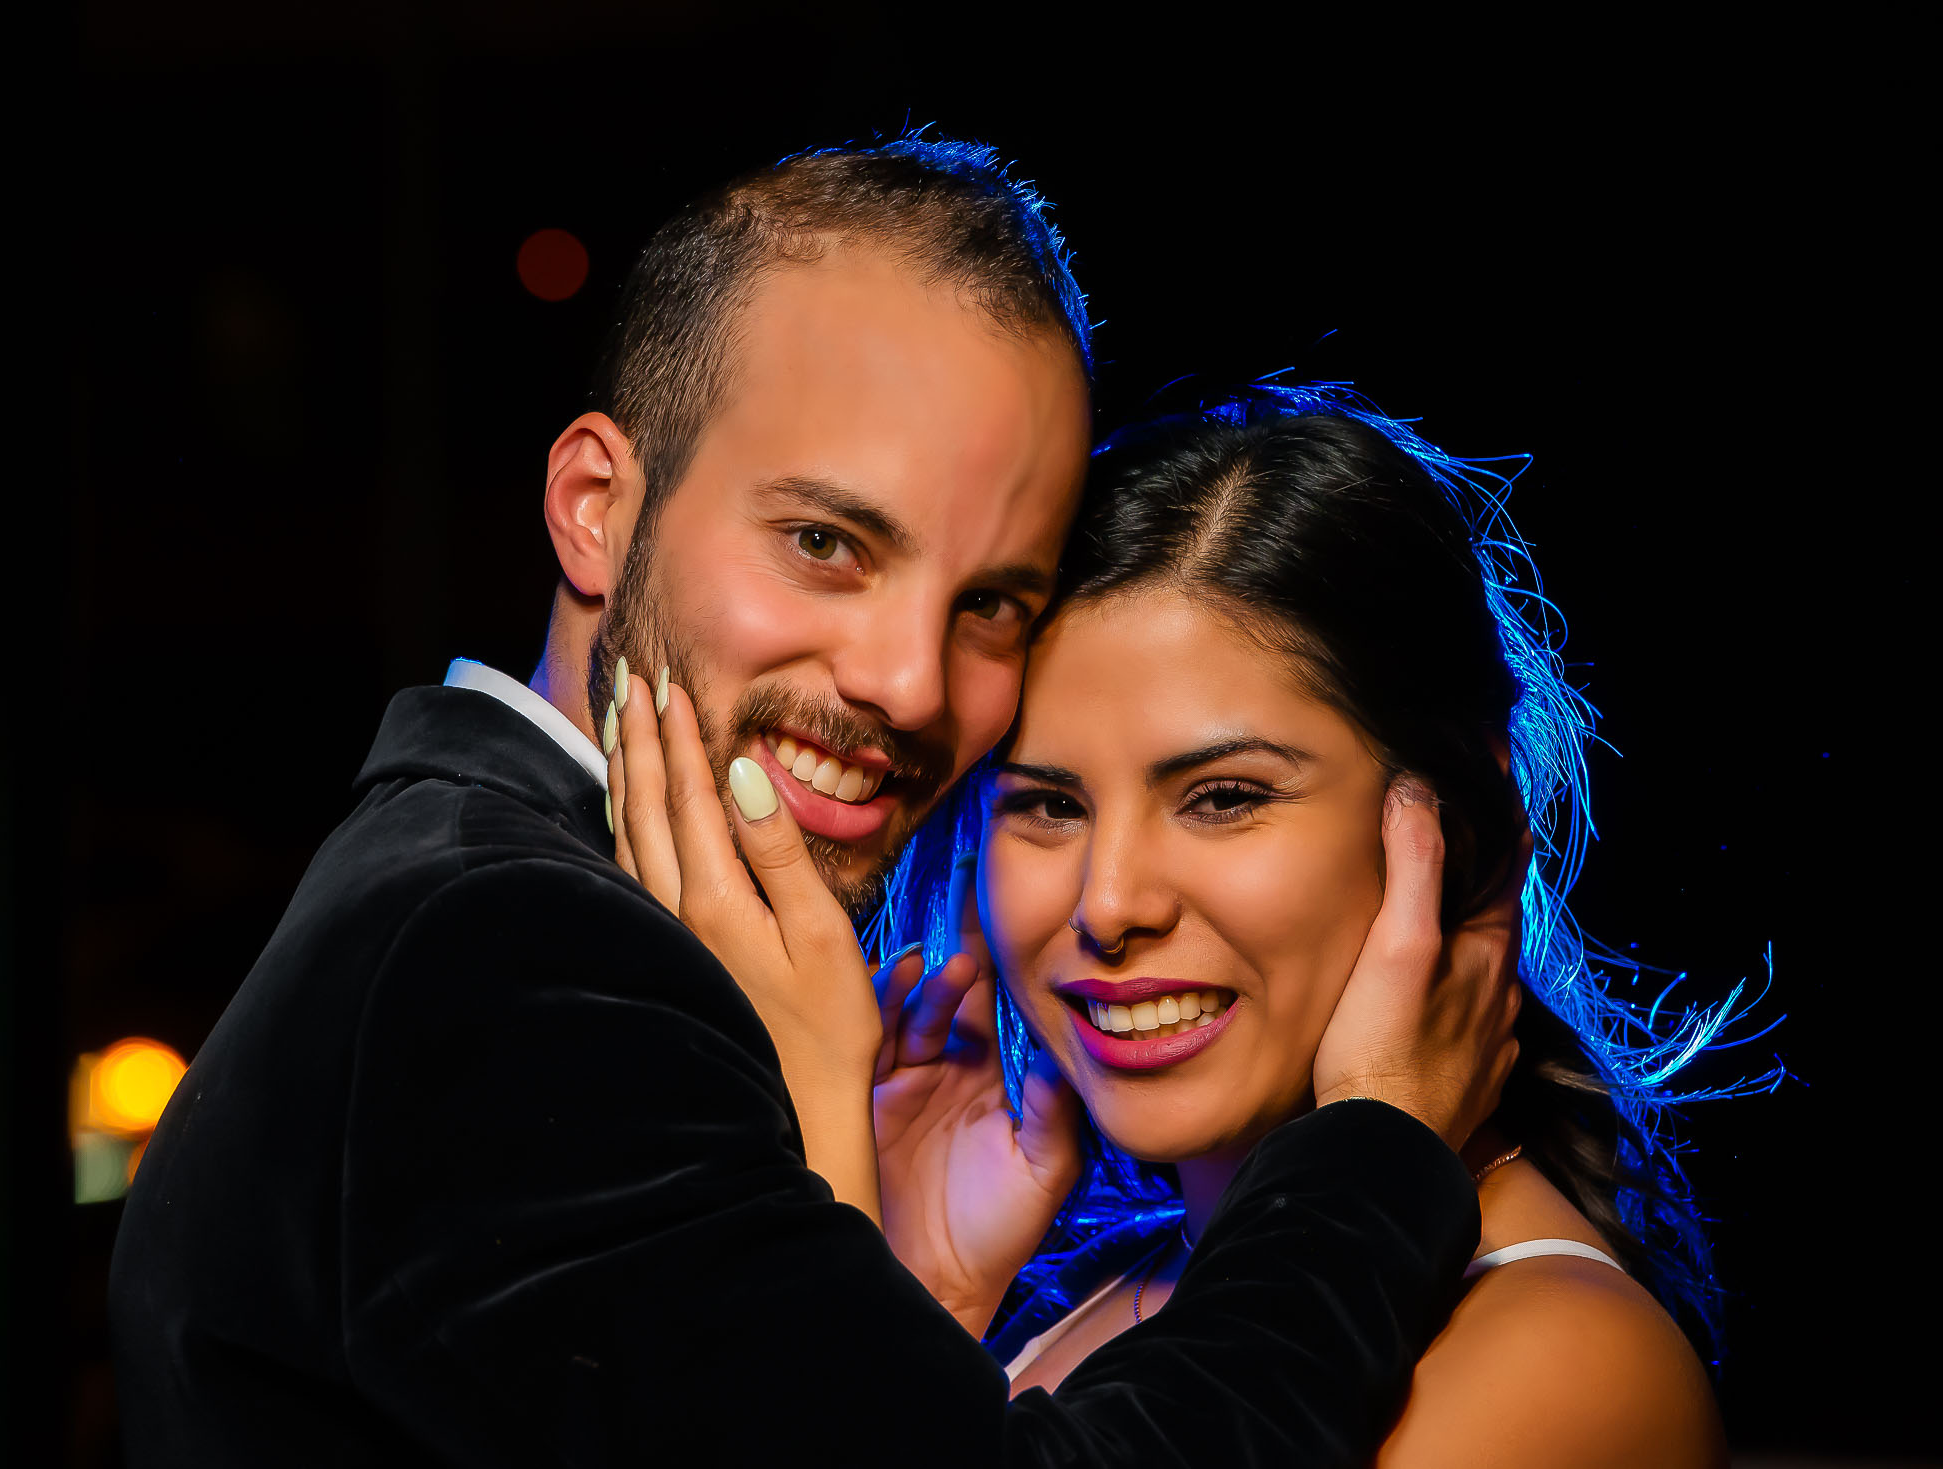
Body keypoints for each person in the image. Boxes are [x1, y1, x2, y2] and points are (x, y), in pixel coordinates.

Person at [109, 140, 1518, 1466]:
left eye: (990, 605)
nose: (909, 682)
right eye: (827, 544)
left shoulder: (461, 885)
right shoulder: (515, 955)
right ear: (597, 505)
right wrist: (1375, 1157)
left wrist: (906, 1276)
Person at [611, 385, 1740, 1466]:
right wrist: (917, 1291)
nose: (1110, 905)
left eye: (1225, 796)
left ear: (1456, 820)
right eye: (1049, 803)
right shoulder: (1153, 1276)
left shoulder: (1560, 1358)